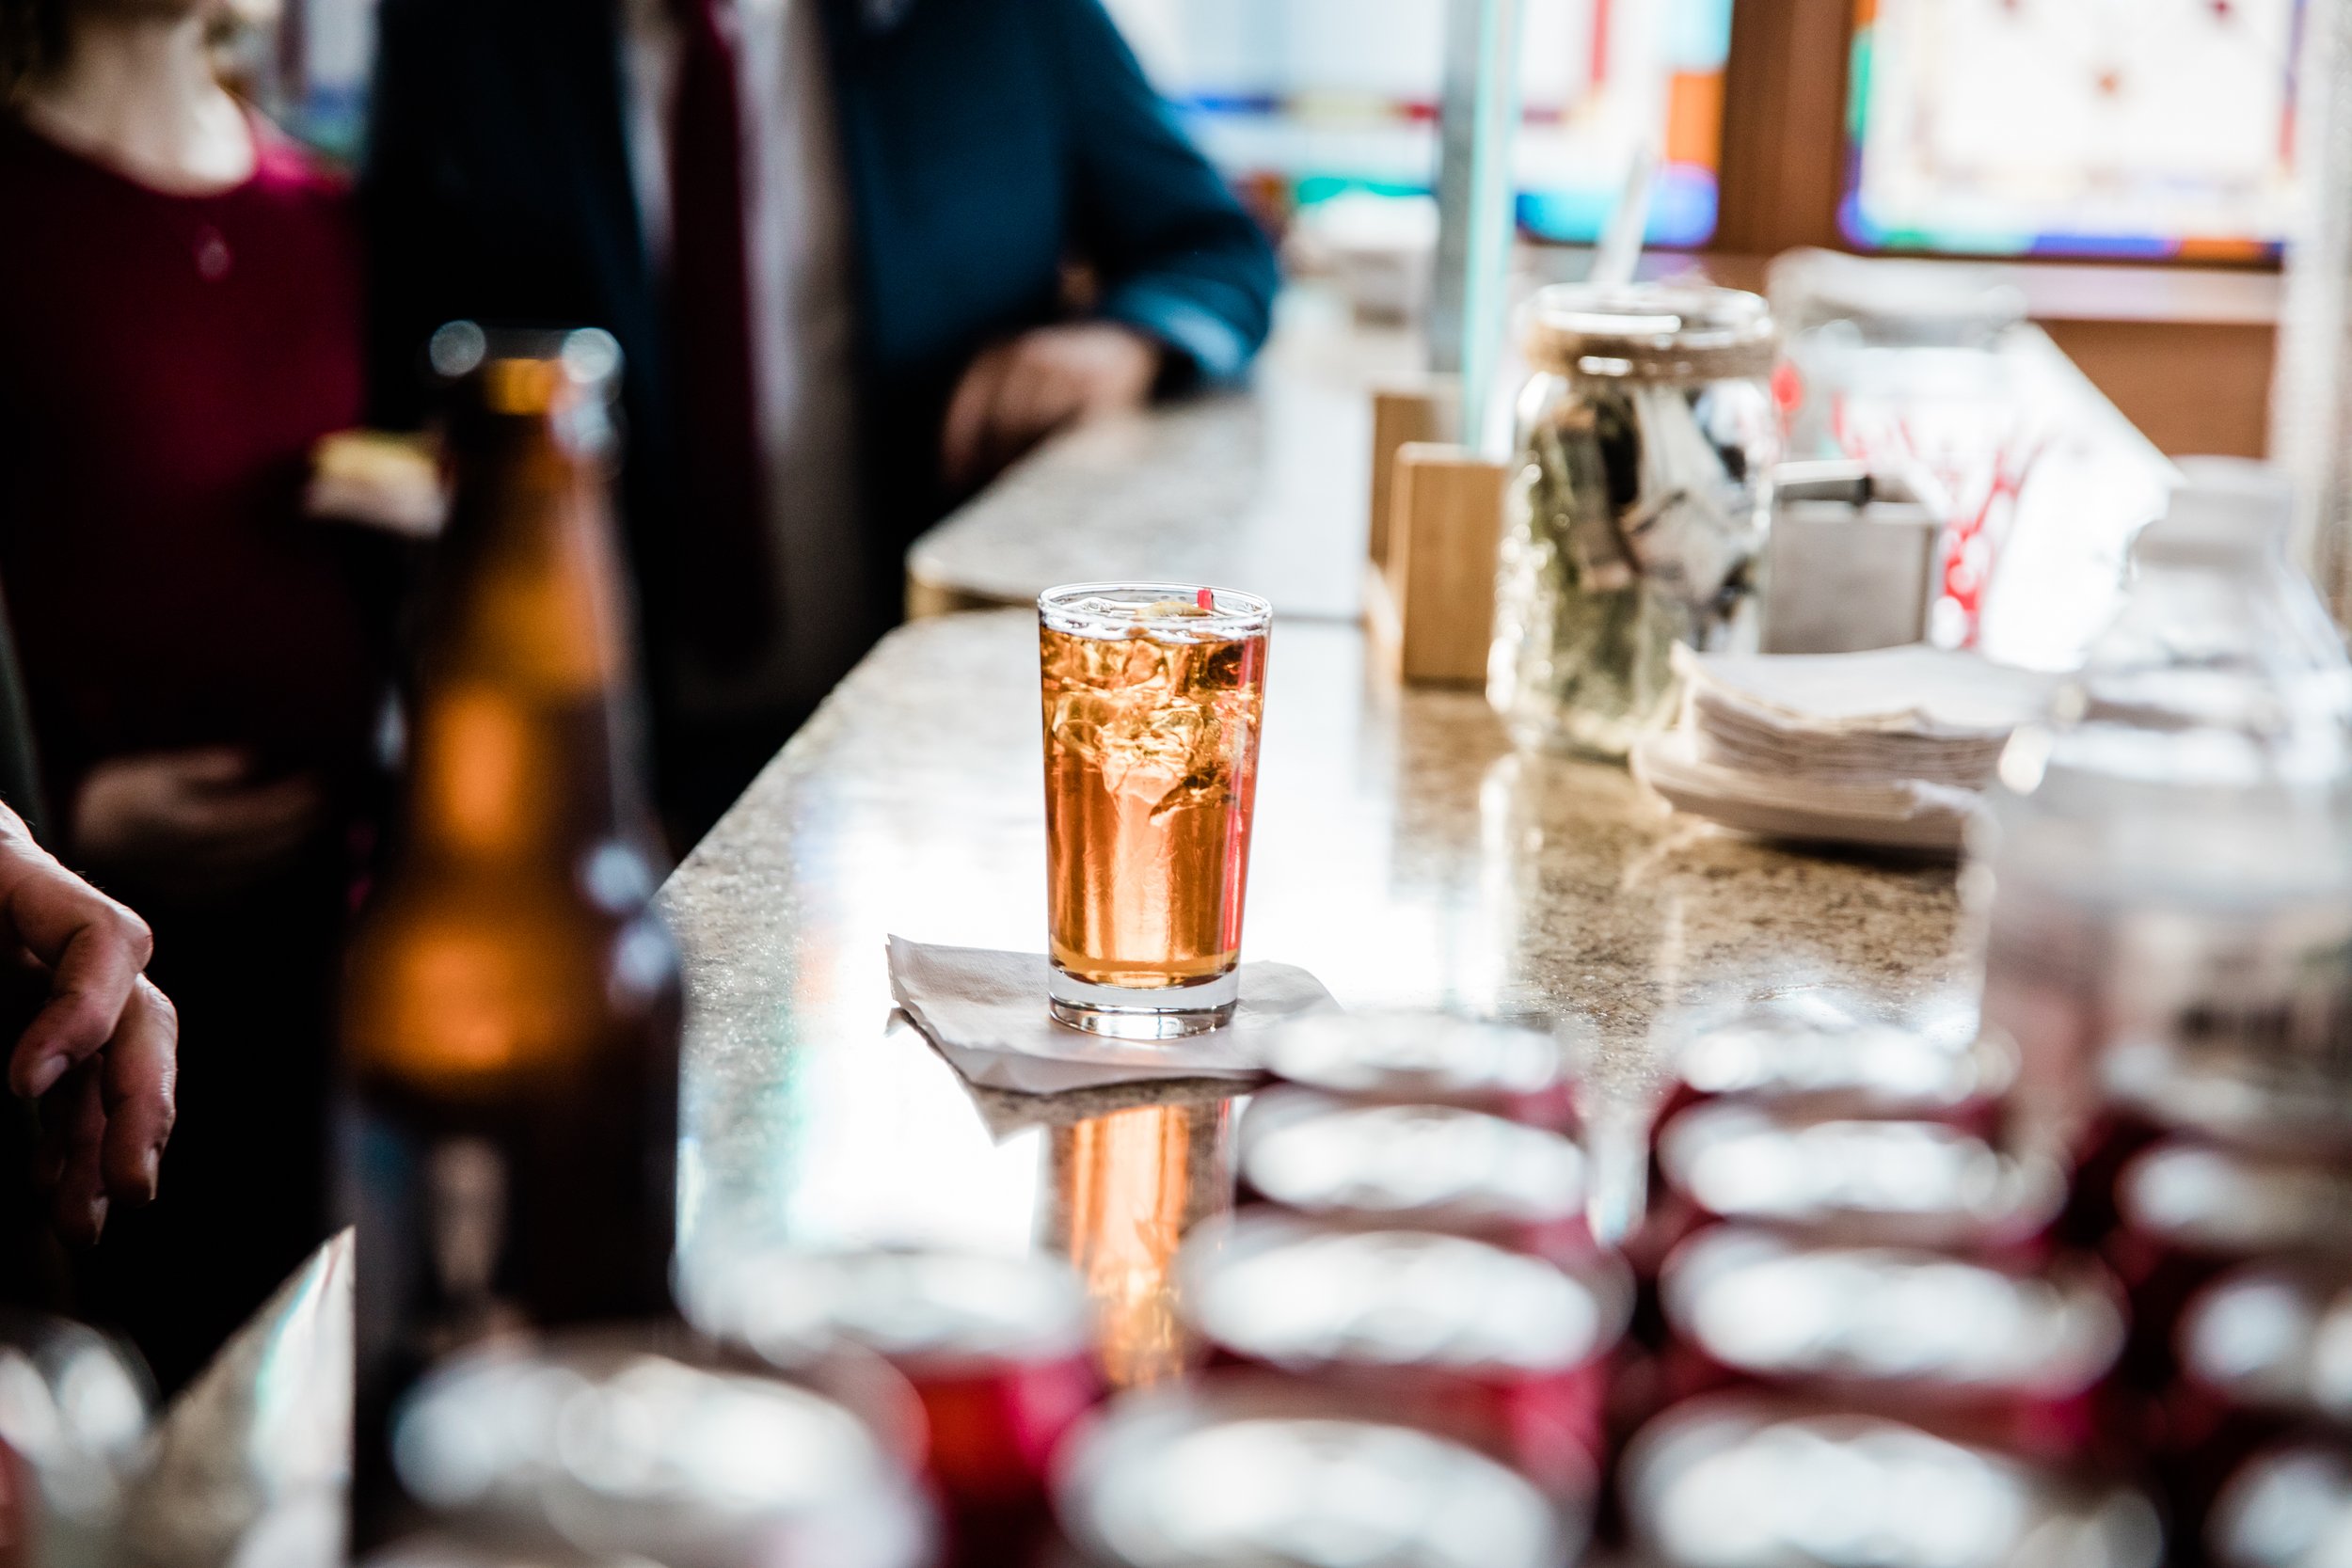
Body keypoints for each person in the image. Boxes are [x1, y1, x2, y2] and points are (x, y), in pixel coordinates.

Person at [363, 0, 1282, 842]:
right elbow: (391, 340)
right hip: (584, 754)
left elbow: (1213, 249)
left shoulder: (1007, 20)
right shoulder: (458, 27)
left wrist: (1124, 340)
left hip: (928, 747)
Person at [0, 0, 386, 1388]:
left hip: (321, 914)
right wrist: (65, 813)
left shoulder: (325, 207)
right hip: (82, 934)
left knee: (303, 1344)